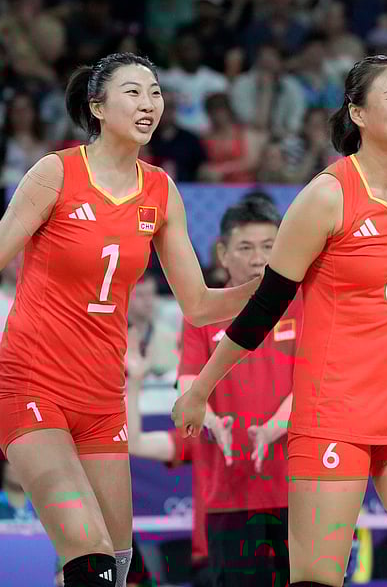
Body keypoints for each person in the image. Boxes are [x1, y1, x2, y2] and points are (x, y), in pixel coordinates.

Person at [0, 52, 261, 587]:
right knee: (89, 552)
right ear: (97, 106)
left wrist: (273, 288)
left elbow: (198, 304)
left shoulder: (160, 190)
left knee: (118, 566)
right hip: (32, 385)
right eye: (133, 92)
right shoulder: (57, 172)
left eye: (155, 92)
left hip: (103, 397)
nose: (149, 103)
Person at [171, 54, 387, 587]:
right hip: (332, 414)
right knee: (316, 581)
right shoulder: (326, 195)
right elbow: (263, 309)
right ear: (358, 114)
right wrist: (199, 390)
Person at [125, 193, 299, 587]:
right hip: (228, 496)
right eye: (246, 247)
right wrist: (210, 420)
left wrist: (274, 426)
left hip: (299, 488)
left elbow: (313, 383)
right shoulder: (202, 316)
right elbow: (189, 381)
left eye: (270, 247)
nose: (258, 258)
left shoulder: (302, 304)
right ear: (222, 253)